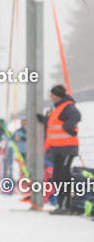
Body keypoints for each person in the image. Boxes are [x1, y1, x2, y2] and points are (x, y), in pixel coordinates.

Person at [38, 84, 82, 214]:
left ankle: (65, 206)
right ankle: (62, 204)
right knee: (58, 176)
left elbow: (76, 116)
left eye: (52, 94)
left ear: (57, 95)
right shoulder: (59, 108)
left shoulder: (67, 106)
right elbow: (55, 123)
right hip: (58, 148)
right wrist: (43, 119)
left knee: (63, 176)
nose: (50, 97)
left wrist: (67, 127)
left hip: (67, 147)